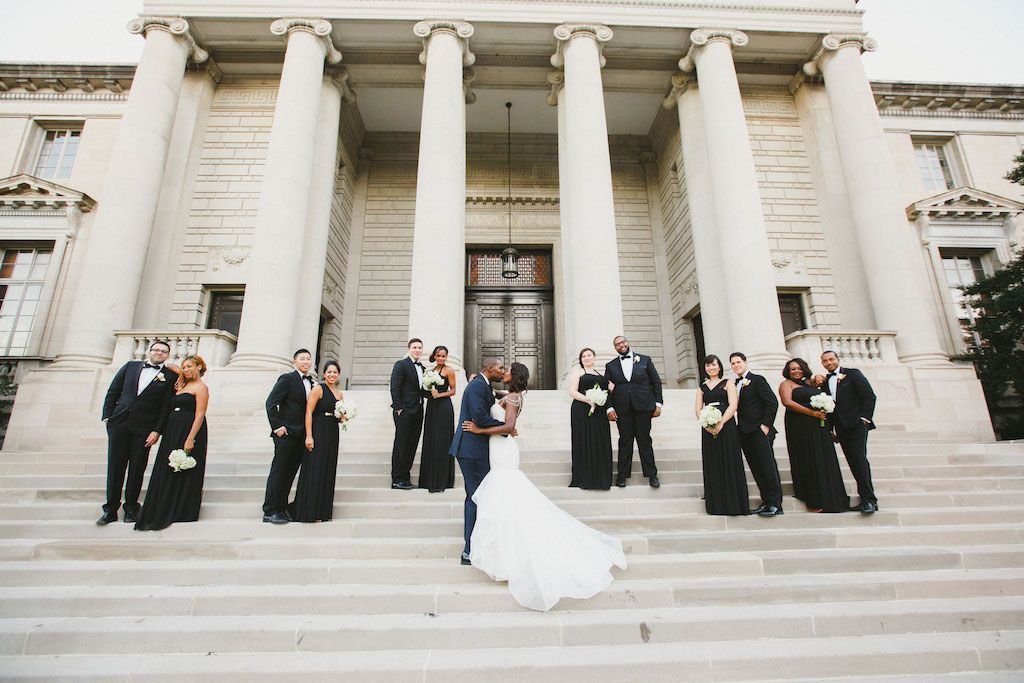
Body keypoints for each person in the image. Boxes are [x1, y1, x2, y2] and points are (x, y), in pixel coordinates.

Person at [462, 362, 627, 611]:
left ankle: (509, 553)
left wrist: (477, 428)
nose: (503, 372)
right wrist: (483, 385)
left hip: (502, 448)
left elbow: (507, 427)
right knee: (505, 498)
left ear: (513, 377)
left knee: (507, 493)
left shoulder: (514, 397)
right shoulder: (510, 395)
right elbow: (497, 399)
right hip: (498, 448)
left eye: (507, 371)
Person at [97, 340, 178, 525]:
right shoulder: (130, 367)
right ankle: (110, 510)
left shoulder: (169, 376)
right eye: (156, 350)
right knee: (115, 468)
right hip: (119, 425)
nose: (159, 353)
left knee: (137, 468)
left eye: (163, 351)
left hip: (144, 429)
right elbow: (113, 391)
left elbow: (165, 407)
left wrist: (157, 430)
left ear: (167, 355)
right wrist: (108, 417)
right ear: (149, 352)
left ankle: (131, 508)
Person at [134, 355, 209, 531]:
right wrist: (181, 371)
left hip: (189, 428)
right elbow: (170, 365)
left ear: (199, 367)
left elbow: (200, 414)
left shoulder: (201, 388)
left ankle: (181, 510)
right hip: (172, 429)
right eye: (185, 367)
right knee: (167, 466)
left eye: (190, 366)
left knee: (183, 468)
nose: (186, 369)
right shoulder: (181, 384)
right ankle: (162, 505)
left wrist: (190, 438)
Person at [449, 357, 506, 565]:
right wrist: (506, 428)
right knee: (475, 496)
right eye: (500, 368)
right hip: (470, 449)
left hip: (477, 449)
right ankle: (468, 550)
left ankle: (477, 543)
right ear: (489, 369)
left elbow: (489, 402)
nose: (503, 371)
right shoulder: (476, 387)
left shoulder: (485, 385)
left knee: (478, 496)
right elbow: (480, 418)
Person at [779, 358, 850, 513]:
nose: (796, 371)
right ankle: (813, 500)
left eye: (799, 368)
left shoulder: (810, 384)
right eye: (792, 369)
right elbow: (788, 403)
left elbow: (823, 387)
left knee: (824, 459)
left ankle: (833, 498)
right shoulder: (786, 384)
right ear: (787, 371)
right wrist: (812, 412)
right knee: (808, 459)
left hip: (818, 427)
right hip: (799, 426)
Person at [821, 350, 878, 514]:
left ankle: (869, 500)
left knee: (859, 460)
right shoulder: (826, 382)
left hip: (856, 425)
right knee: (853, 462)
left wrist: (865, 418)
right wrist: (831, 429)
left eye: (831, 359)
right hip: (840, 428)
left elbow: (869, 396)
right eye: (825, 361)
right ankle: (865, 499)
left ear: (837, 360)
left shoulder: (852, 374)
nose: (829, 363)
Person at [263, 348, 315, 524]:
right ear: (295, 362)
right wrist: (277, 426)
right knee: (279, 472)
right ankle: (270, 510)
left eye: (308, 359)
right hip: (286, 434)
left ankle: (281, 507)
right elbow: (271, 403)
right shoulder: (287, 379)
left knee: (290, 474)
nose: (306, 362)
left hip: (301, 435)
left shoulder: (312, 383)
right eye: (302, 359)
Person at [604, 335, 663, 488]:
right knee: (625, 442)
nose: (621, 345)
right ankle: (622, 476)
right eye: (617, 344)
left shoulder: (645, 360)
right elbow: (606, 389)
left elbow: (656, 382)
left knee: (645, 441)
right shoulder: (610, 366)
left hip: (643, 407)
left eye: (623, 342)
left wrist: (658, 403)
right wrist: (609, 408)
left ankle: (652, 475)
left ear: (627, 343)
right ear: (615, 347)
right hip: (622, 410)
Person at [730, 352, 783, 517]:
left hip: (759, 431)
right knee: (756, 468)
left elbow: (772, 402)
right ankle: (765, 500)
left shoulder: (757, 379)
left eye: (738, 362)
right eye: (733, 363)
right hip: (744, 432)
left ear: (745, 362)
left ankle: (775, 504)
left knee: (768, 467)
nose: (736, 365)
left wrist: (765, 425)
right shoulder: (734, 384)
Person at [695, 355, 750, 516]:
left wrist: (721, 423)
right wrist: (706, 424)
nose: (711, 368)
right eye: (708, 366)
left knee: (729, 460)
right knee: (713, 461)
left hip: (727, 426)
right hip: (708, 428)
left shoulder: (728, 383)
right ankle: (716, 504)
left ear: (719, 367)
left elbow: (733, 404)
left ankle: (734, 503)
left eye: (714, 365)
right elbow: (698, 409)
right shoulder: (702, 388)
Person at [295, 360, 345, 522]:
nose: (332, 375)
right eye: (329, 372)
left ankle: (322, 512)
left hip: (332, 432)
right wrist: (309, 436)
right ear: (324, 374)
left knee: (327, 468)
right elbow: (309, 412)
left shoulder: (339, 394)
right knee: (316, 467)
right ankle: (309, 511)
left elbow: (340, 417)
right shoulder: (318, 389)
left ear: (338, 375)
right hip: (318, 429)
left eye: (335, 372)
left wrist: (344, 416)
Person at [568, 347, 614, 490]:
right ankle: (584, 478)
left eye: (589, 355)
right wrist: (588, 400)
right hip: (581, 410)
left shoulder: (600, 374)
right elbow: (572, 391)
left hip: (599, 413)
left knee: (599, 440)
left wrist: (610, 388)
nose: (586, 358)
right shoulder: (578, 372)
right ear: (581, 360)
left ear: (594, 358)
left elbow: (607, 391)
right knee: (584, 440)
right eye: (583, 356)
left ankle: (600, 478)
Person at [389, 338, 427, 490]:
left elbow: (422, 390)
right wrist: (398, 408)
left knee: (412, 445)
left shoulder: (422, 368)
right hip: (404, 411)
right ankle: (397, 479)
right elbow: (395, 387)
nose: (417, 350)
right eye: (415, 347)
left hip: (418, 411)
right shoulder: (401, 364)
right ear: (409, 348)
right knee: (401, 445)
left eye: (419, 347)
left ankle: (405, 477)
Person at [419, 345, 457, 493]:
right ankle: (428, 479)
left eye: (443, 356)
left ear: (446, 357)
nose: (441, 358)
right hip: (432, 408)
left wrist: (439, 395)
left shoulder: (449, 370)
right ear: (434, 356)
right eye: (439, 356)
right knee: (431, 439)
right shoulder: (430, 372)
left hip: (444, 408)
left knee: (442, 440)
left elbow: (453, 391)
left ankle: (441, 480)